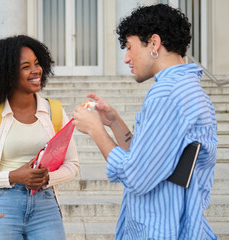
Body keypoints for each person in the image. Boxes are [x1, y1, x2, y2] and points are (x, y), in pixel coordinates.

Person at [72, 4, 218, 239]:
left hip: (160, 229)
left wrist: (96, 131)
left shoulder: (167, 92)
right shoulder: (189, 89)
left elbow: (137, 176)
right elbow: (153, 159)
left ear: (154, 43)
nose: (127, 58)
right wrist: (114, 122)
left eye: (130, 48)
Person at [0, 35, 80, 239]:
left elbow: (72, 165)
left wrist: (47, 177)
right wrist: (13, 176)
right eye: (26, 66)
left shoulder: (54, 111)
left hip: (45, 205)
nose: (36, 71)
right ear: (7, 74)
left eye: (37, 64)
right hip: (1, 205)